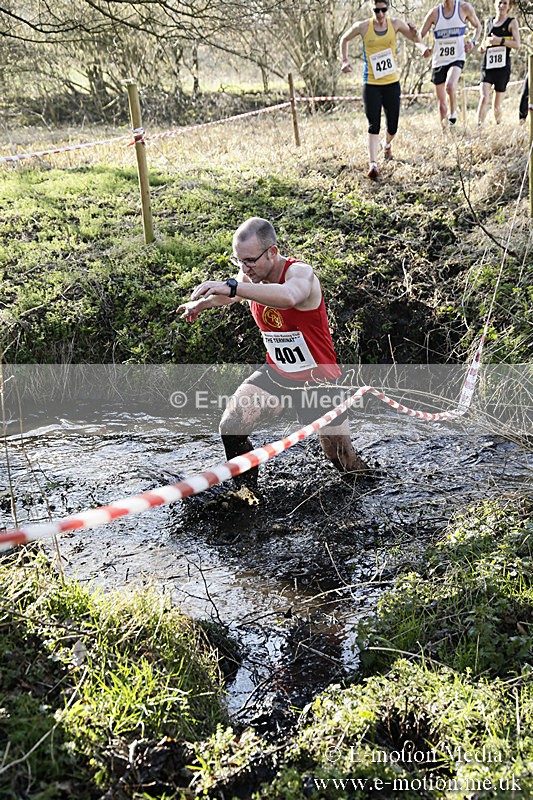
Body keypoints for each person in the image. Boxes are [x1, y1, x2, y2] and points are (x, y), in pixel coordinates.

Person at [177, 217, 370, 490]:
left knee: (345, 464)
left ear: (272, 252)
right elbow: (232, 295)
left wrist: (233, 286)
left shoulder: (301, 274)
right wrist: (202, 304)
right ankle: (246, 494)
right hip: (278, 375)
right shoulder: (251, 276)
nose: (244, 269)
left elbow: (289, 296)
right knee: (232, 425)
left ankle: (372, 491)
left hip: (318, 382)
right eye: (238, 261)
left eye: (250, 261)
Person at [339, 0, 422, 180]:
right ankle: (373, 164)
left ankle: (387, 145)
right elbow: (344, 39)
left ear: (388, 9)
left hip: (392, 83)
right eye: (377, 10)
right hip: (371, 84)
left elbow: (416, 40)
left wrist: (415, 33)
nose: (381, 14)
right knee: (373, 124)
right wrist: (344, 60)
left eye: (384, 10)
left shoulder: (396, 24)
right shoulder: (362, 27)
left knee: (393, 126)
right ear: (372, 9)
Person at [419, 0, 482, 128]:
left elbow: (478, 27)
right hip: (439, 61)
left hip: (456, 57)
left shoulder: (464, 8)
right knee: (442, 106)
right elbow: (418, 37)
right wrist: (423, 48)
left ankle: (453, 114)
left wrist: (473, 42)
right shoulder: (434, 13)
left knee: (450, 86)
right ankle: (445, 133)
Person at [476, 0, 520, 126]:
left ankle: (498, 124)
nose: (501, 6)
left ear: (509, 6)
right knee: (484, 97)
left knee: (497, 104)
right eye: (499, 2)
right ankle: (479, 127)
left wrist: (499, 41)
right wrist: (482, 48)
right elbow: (485, 41)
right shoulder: (488, 22)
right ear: (494, 4)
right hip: (488, 65)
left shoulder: (512, 22)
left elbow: (517, 44)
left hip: (502, 66)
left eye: (505, 3)